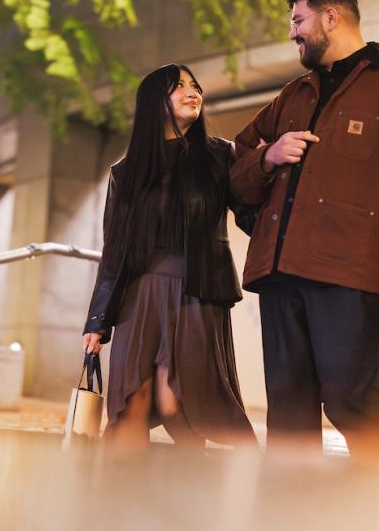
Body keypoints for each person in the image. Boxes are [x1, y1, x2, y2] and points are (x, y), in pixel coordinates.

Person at [230, 0, 379, 459]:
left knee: (350, 395)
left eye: (298, 19)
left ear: (331, 17)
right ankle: (292, 512)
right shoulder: (292, 96)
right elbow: (234, 172)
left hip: (353, 275)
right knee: (287, 409)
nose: (292, 32)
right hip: (281, 274)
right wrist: (269, 156)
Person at [82, 63, 257, 454]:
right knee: (133, 402)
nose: (191, 91)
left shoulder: (219, 156)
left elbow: (251, 214)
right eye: (178, 86)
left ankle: (192, 500)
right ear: (154, 102)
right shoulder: (125, 174)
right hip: (137, 299)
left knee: (176, 401)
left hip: (195, 294)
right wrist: (97, 321)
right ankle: (117, 501)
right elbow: (115, 254)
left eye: (194, 85)